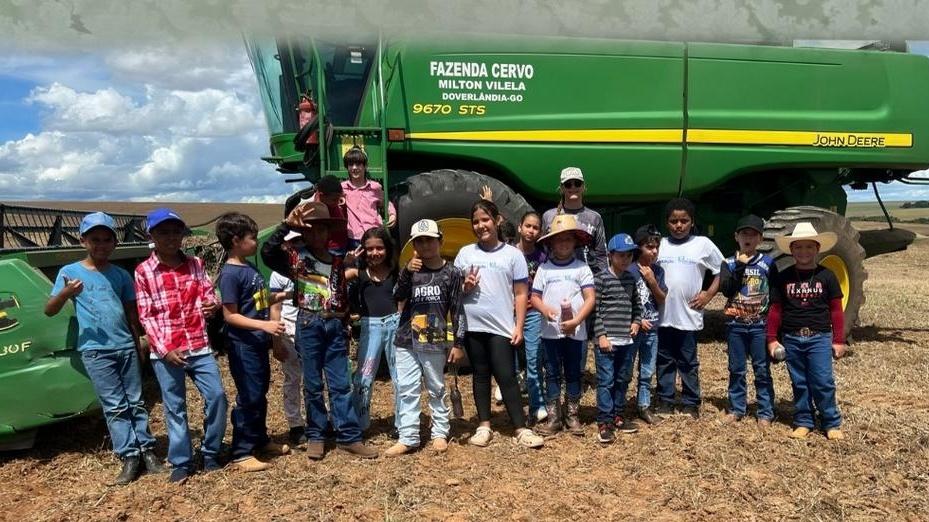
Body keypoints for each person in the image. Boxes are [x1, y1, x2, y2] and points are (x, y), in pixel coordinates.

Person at [44, 212, 165, 485]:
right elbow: (49, 310)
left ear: (115, 243)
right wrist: (65, 294)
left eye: (107, 239)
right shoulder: (69, 274)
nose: (101, 245)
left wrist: (138, 343)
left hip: (125, 346)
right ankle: (129, 455)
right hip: (96, 350)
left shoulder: (121, 275)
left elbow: (131, 314)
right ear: (83, 241)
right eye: (95, 239)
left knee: (135, 401)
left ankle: (147, 451)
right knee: (115, 405)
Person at [261, 200, 378, 460]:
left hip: (335, 325)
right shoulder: (295, 258)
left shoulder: (337, 261)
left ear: (328, 232)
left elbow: (341, 293)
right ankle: (316, 435)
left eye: (321, 229)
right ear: (303, 232)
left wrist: (346, 319)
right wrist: (285, 225)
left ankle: (349, 436)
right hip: (309, 324)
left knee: (341, 384)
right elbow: (267, 252)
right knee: (313, 384)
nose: (316, 234)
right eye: (310, 229)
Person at [134, 208, 228, 484]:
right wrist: (164, 349)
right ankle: (181, 461)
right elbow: (146, 316)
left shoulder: (196, 264)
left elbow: (209, 293)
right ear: (151, 236)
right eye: (164, 232)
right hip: (167, 351)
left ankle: (210, 452)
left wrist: (213, 304)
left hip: (198, 345)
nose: (171, 237)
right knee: (175, 407)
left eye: (176, 232)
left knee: (217, 397)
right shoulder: (144, 272)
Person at [455, 199, 544, 448]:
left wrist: (519, 326)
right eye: (475, 221)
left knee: (506, 376)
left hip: (501, 326)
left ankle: (521, 428)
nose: (481, 225)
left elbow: (521, 293)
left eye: (485, 219)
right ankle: (484, 425)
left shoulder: (513, 255)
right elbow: (454, 290)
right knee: (480, 374)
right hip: (473, 325)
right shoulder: (465, 254)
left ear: (496, 221)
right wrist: (464, 286)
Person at [215, 212, 290, 472]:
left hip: (256, 343)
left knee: (259, 393)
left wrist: (282, 295)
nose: (257, 242)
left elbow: (256, 301)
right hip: (243, 345)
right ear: (236, 240)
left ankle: (259, 439)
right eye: (253, 238)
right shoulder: (230, 274)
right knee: (249, 396)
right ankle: (242, 451)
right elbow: (230, 315)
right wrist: (265, 325)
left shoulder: (249, 268)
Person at [385, 219, 464, 456]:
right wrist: (407, 272)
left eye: (430, 240)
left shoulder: (452, 273)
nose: (425, 245)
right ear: (414, 245)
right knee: (407, 388)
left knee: (436, 386)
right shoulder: (410, 270)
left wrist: (458, 343)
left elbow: (457, 309)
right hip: (406, 338)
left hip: (433, 336)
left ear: (440, 241)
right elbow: (397, 296)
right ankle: (408, 436)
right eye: (419, 241)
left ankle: (440, 432)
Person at [767, 222, 846, 440]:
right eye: (798, 247)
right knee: (799, 382)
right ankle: (803, 421)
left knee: (823, 381)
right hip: (792, 337)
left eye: (809, 247)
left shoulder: (827, 276)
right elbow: (775, 310)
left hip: (819, 337)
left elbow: (836, 310)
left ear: (817, 248)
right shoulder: (784, 277)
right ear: (791, 250)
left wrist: (839, 340)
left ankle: (830, 422)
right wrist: (772, 339)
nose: (804, 251)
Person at [655, 198, 724, 419]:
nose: (679, 225)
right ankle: (665, 400)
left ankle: (691, 402)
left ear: (692, 222)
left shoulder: (702, 244)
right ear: (667, 223)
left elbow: (722, 269)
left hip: (689, 315)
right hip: (662, 315)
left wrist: (709, 294)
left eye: (684, 221)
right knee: (664, 360)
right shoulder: (660, 245)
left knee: (688, 361)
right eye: (673, 221)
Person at [530, 214, 596, 436]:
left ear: (575, 241)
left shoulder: (581, 268)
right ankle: (554, 417)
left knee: (574, 372)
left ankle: (572, 415)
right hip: (550, 333)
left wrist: (577, 320)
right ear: (551, 243)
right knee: (551, 372)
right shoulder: (544, 269)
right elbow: (534, 297)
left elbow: (590, 298)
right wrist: (545, 310)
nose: (563, 243)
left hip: (576, 333)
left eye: (568, 239)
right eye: (558, 239)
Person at [542, 167, 608, 379]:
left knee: (579, 329)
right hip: (555, 279)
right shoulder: (550, 216)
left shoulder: (594, 218)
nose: (573, 188)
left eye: (577, 183)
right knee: (553, 326)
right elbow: (544, 250)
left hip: (584, 282)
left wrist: (601, 282)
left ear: (583, 187)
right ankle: (554, 373)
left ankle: (575, 375)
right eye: (568, 184)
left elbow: (601, 254)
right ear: (561, 188)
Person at [718, 215, 777, 427]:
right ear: (736, 237)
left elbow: (775, 295)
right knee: (736, 369)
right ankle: (736, 408)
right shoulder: (728, 263)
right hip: (736, 325)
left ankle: (765, 412)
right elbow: (727, 290)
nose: (748, 238)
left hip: (759, 325)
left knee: (761, 369)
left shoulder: (768, 263)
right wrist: (740, 267)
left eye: (753, 235)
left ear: (760, 238)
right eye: (744, 234)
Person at [346, 226, 400, 433]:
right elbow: (336, 280)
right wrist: (347, 262)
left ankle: (402, 423)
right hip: (371, 327)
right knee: (364, 377)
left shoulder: (396, 273)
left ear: (387, 249)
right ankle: (360, 424)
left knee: (399, 376)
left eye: (379, 248)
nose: (375, 253)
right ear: (363, 250)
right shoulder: (359, 273)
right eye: (369, 249)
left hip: (395, 325)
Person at [593, 233, 643, 443]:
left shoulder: (631, 279)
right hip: (607, 341)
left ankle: (618, 415)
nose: (625, 259)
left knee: (623, 378)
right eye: (621, 255)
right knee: (606, 380)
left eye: (629, 256)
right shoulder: (601, 279)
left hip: (626, 340)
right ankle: (605, 421)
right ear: (610, 255)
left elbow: (637, 305)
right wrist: (601, 335)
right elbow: (594, 311)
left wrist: (636, 322)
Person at [269, 230, 307, 447]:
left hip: (310, 328)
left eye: (300, 240)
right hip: (289, 330)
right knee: (293, 378)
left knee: (316, 377)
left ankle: (320, 418)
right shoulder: (278, 274)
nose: (296, 245)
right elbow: (275, 307)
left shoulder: (310, 266)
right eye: (292, 242)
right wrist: (276, 341)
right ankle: (295, 424)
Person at [627, 224, 667, 424]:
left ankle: (644, 406)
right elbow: (623, 301)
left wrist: (652, 281)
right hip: (632, 329)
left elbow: (661, 298)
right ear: (638, 247)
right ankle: (618, 407)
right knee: (625, 369)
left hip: (652, 329)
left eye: (656, 247)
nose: (654, 251)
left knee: (647, 370)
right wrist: (637, 320)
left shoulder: (658, 271)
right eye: (649, 247)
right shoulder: (629, 270)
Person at [516, 211, 548, 423]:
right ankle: (515, 408)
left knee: (534, 359)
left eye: (535, 228)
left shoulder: (542, 257)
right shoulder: (509, 253)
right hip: (509, 312)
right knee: (509, 363)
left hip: (533, 312)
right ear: (520, 227)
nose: (531, 230)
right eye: (528, 226)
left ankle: (537, 405)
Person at [341, 146, 397, 249]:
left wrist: (392, 214)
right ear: (347, 167)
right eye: (351, 164)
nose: (354, 168)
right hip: (354, 237)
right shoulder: (343, 188)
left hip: (373, 235)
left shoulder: (375, 187)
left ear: (365, 166)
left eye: (358, 164)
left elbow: (386, 202)